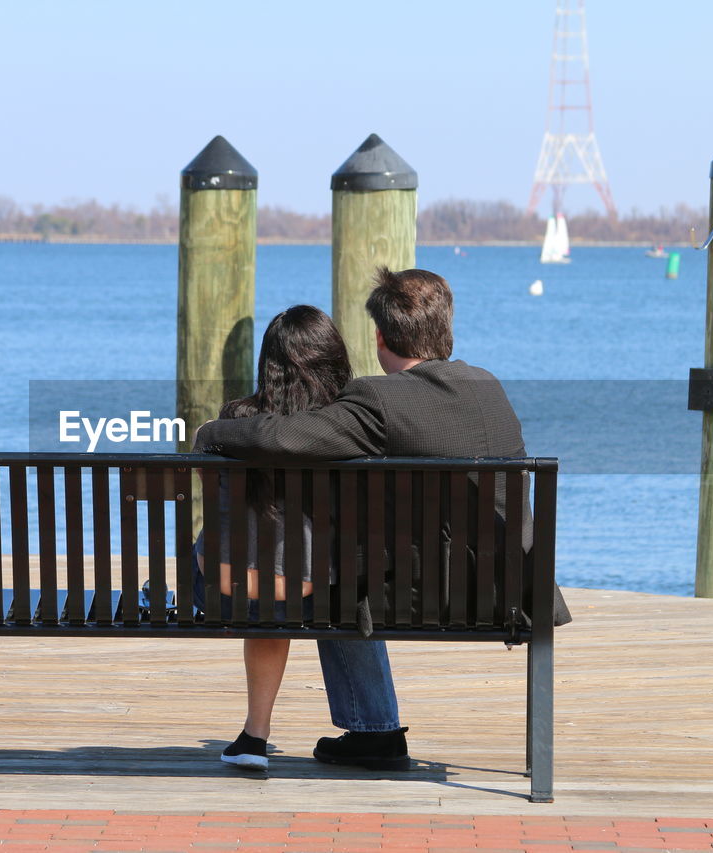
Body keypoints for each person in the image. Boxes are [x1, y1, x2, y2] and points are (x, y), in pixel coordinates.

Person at [196, 266, 572, 772]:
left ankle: (366, 731)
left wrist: (212, 431)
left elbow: (285, 437)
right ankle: (374, 733)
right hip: (510, 592)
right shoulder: (489, 386)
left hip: (419, 598)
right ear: (446, 327)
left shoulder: (378, 398)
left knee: (329, 577)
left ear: (379, 335)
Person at [191, 304, 351, 771]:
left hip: (220, 590)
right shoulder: (345, 427)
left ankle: (255, 736)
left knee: (252, 566)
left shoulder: (234, 419)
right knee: (284, 580)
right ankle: (260, 734)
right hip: (308, 594)